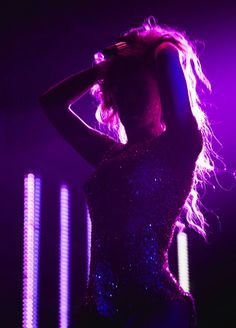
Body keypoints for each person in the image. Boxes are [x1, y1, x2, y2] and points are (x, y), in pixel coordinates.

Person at [39, 16, 215, 328]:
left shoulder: (178, 145)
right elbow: (52, 104)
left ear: (162, 93)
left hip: (156, 310)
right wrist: (105, 68)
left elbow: (168, 54)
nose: (129, 100)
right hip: (99, 311)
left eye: (139, 90)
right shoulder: (107, 153)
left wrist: (147, 44)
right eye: (121, 91)